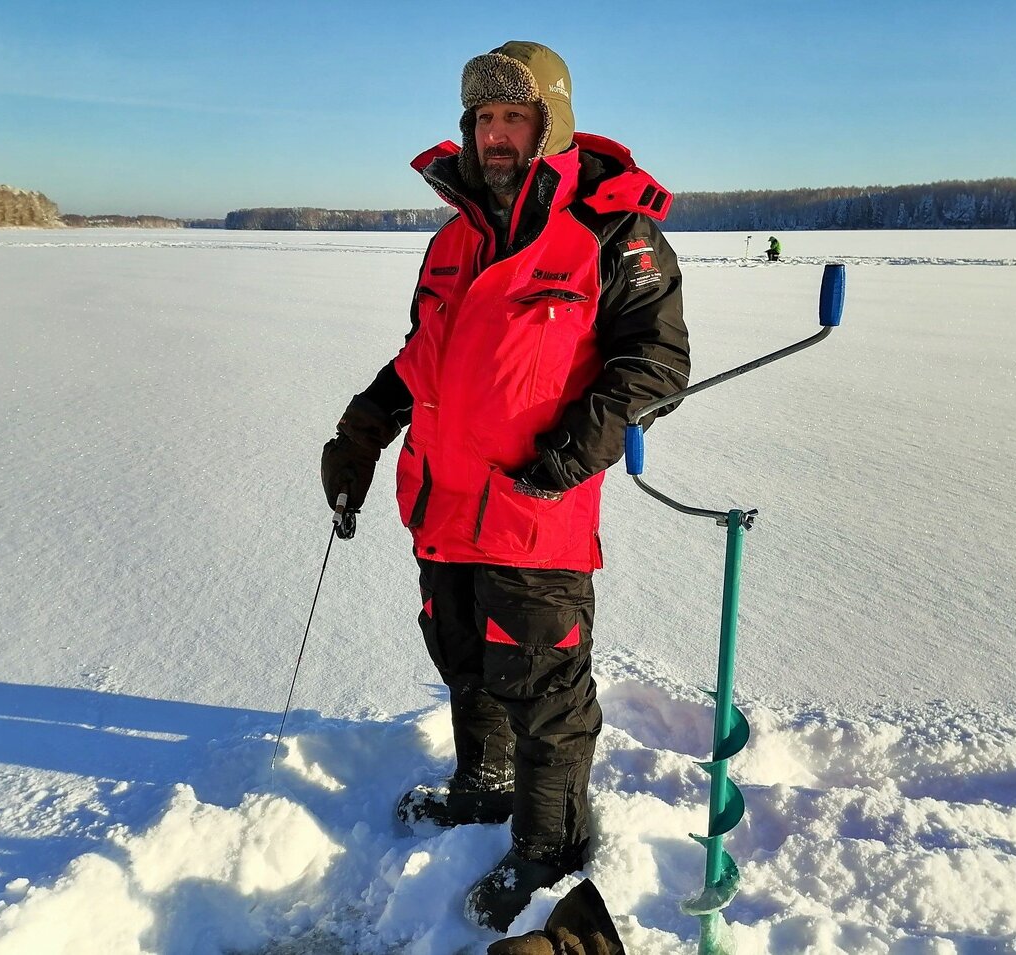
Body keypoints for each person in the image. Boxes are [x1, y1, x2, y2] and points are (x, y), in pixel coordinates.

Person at [320, 40, 690, 933]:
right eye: (482, 117)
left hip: (534, 517)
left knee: (546, 691)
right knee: (464, 659)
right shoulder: (452, 241)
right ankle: (482, 784)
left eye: (511, 117)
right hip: (444, 508)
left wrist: (565, 458)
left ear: (549, 124)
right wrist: (362, 431)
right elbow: (421, 358)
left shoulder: (612, 232)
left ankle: (550, 844)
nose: (493, 134)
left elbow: (657, 364)